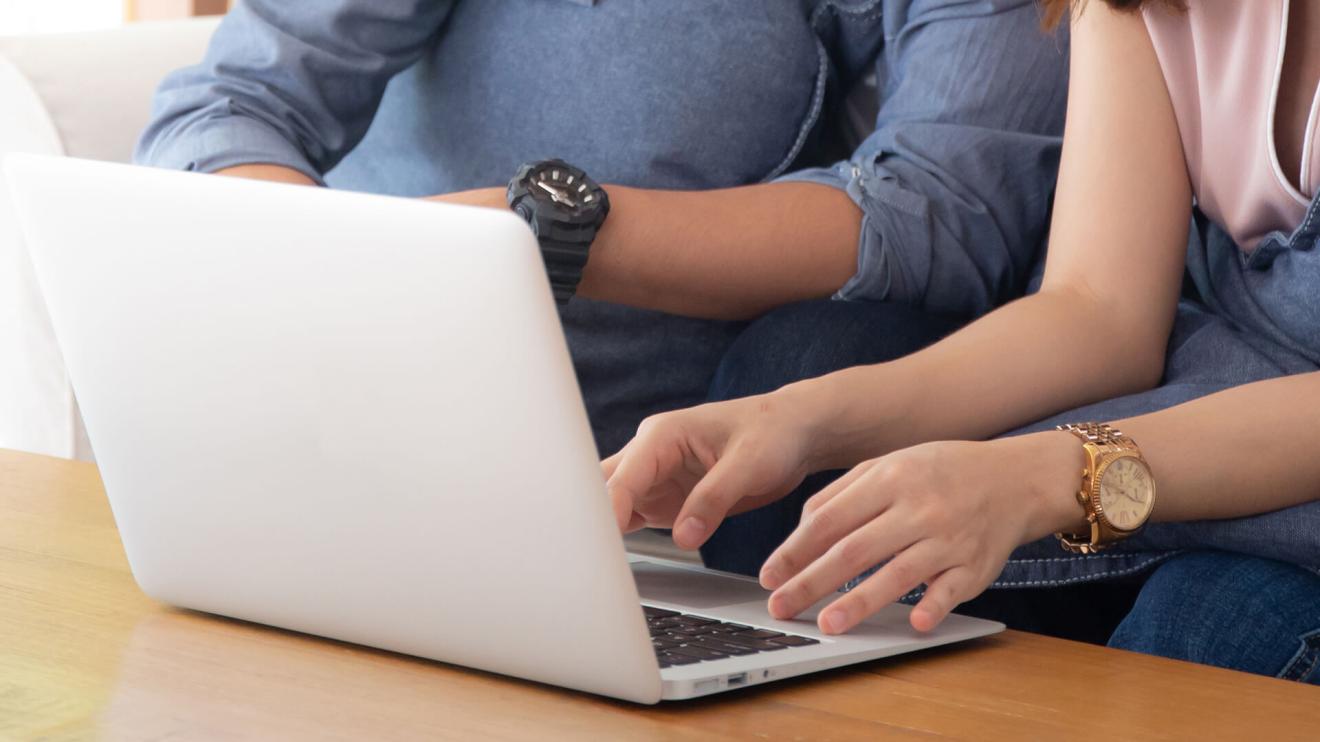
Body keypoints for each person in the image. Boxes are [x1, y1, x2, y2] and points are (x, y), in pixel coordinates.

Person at [606, 0, 1320, 684]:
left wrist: (1046, 476)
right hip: (1233, 395)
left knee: (1213, 623)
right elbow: (1098, 309)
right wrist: (794, 421)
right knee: (855, 528)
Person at [135, 0, 1067, 458]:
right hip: (335, 403)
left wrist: (539, 233)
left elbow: (947, 210)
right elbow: (226, 108)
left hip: (630, 470)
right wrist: (349, 274)